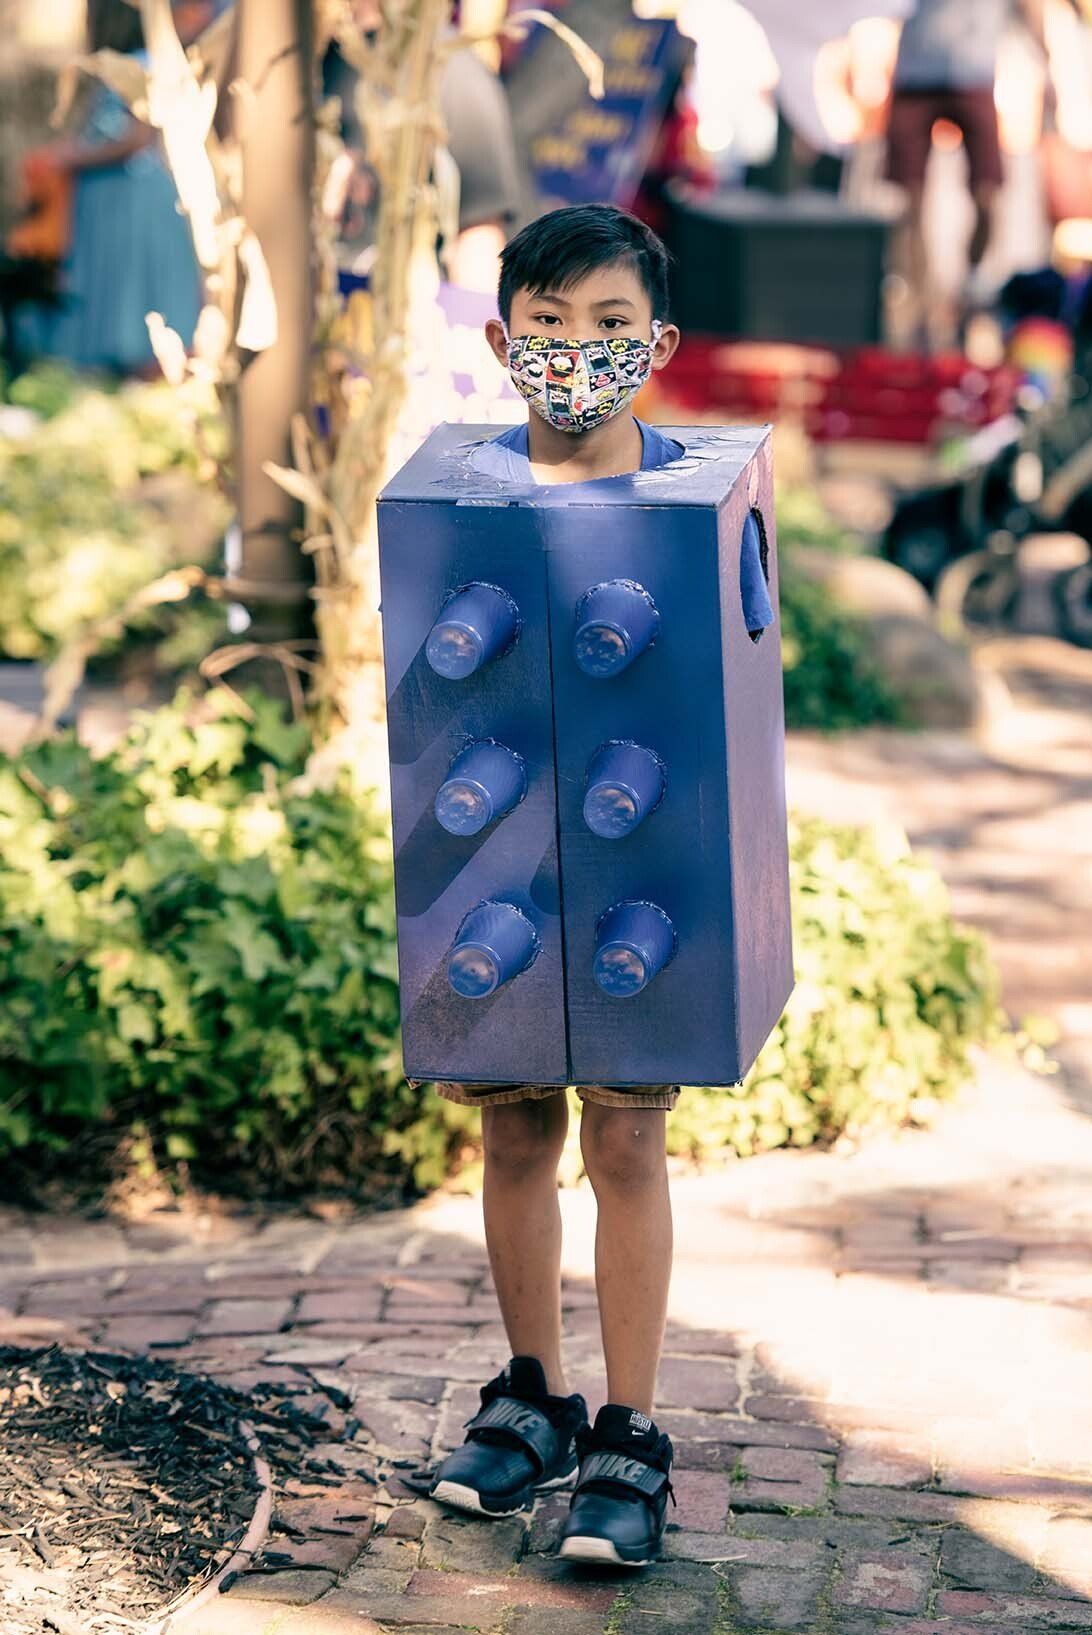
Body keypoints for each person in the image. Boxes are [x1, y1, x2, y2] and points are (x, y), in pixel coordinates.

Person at [417, 203, 772, 1568]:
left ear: (660, 344)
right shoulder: (465, 497)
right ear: (506, 344)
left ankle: (629, 1427)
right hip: (503, 852)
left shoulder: (694, 496)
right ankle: (530, 1394)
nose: (578, 353)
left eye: (611, 327)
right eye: (551, 329)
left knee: (625, 1136)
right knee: (513, 1126)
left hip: (640, 865)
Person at [12, 0, 205, 377]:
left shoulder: (142, 64)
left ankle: (141, 369)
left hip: (131, 195)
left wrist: (72, 158)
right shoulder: (114, 68)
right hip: (109, 195)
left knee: (133, 284)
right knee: (110, 282)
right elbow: (100, 128)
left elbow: (136, 138)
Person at [884, 0, 1046, 342]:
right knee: (911, 203)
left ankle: (969, 284)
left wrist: (1047, 61)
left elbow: (1030, 6)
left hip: (973, 70)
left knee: (988, 194)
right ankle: (922, 302)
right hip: (916, 70)